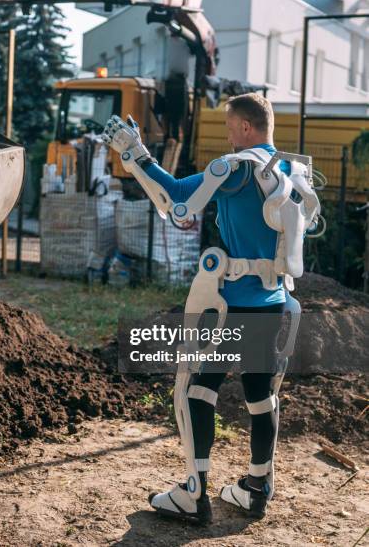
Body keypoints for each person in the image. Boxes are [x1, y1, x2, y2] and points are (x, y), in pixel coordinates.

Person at [102, 93, 321, 525]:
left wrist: (136, 152)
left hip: (231, 308)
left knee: (196, 392)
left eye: (228, 128)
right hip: (275, 302)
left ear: (244, 127)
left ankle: (194, 494)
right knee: (262, 397)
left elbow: (177, 197)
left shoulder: (237, 169)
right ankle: (256, 488)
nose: (227, 137)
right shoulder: (290, 170)